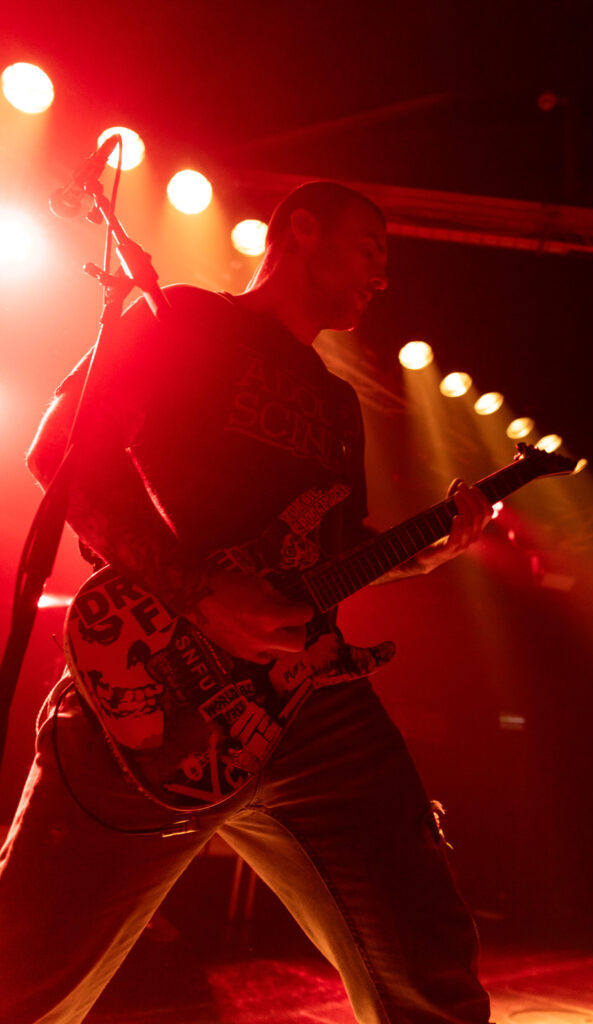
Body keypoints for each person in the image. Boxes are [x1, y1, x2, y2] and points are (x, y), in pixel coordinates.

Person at [0, 181, 493, 1023]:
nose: (382, 273)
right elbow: (60, 455)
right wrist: (195, 592)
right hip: (153, 687)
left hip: (314, 704)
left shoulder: (338, 404)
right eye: (369, 246)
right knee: (22, 981)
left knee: (430, 967)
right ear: (300, 230)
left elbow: (329, 557)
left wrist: (425, 553)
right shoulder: (180, 317)